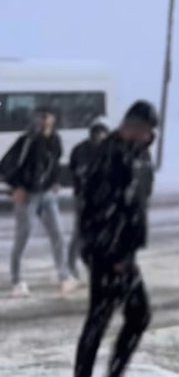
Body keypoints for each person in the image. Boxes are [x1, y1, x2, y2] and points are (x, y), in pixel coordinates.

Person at [67, 100, 158, 377]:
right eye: (141, 129)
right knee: (104, 317)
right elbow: (97, 209)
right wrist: (114, 253)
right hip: (109, 252)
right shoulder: (108, 156)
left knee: (132, 315)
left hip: (123, 252)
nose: (145, 135)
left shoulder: (139, 155)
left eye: (148, 131)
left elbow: (138, 202)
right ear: (128, 126)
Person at [0, 107, 77, 298]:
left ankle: (64, 276)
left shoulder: (55, 140)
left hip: (47, 195)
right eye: (39, 117)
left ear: (53, 119)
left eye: (45, 117)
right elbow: (5, 165)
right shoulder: (27, 140)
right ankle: (17, 281)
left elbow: (55, 163)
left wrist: (55, 181)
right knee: (23, 237)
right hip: (28, 195)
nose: (42, 121)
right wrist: (16, 187)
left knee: (58, 234)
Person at [67, 117, 110, 279]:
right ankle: (71, 266)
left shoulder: (110, 150)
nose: (99, 136)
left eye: (102, 133)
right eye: (97, 133)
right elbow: (74, 171)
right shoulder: (81, 150)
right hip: (84, 197)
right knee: (80, 233)